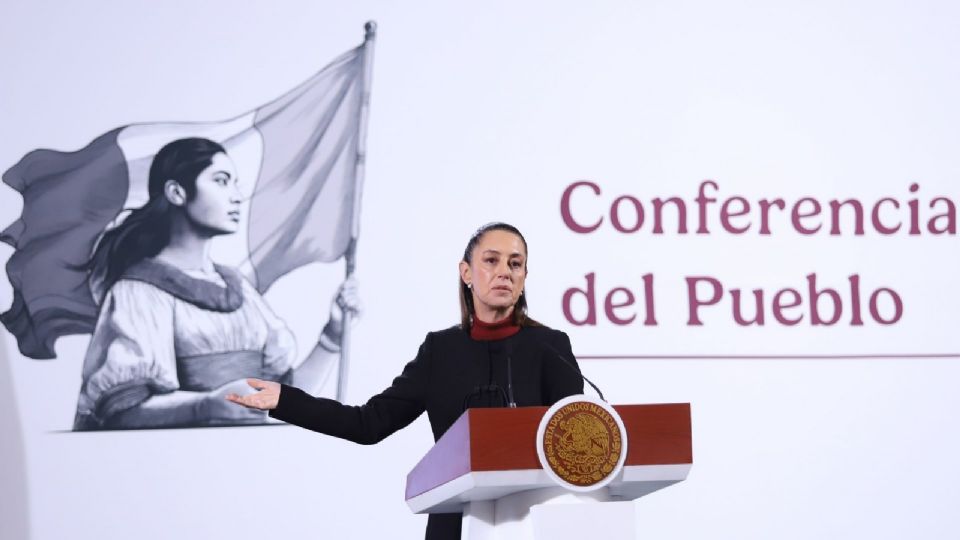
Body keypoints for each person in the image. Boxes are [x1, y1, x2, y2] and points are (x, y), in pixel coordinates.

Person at [228, 222, 585, 540]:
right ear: (466, 272)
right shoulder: (440, 351)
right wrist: (286, 400)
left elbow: (576, 444)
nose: (504, 271)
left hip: (531, 522)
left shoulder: (549, 347)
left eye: (515, 263)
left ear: (524, 277)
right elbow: (368, 423)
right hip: (453, 523)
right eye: (491, 260)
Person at [73, 137, 357, 430]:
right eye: (221, 181)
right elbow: (122, 411)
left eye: (235, 183)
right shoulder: (138, 292)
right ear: (176, 192)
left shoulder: (241, 290)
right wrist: (204, 406)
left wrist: (332, 336)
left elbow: (287, 404)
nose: (236, 196)